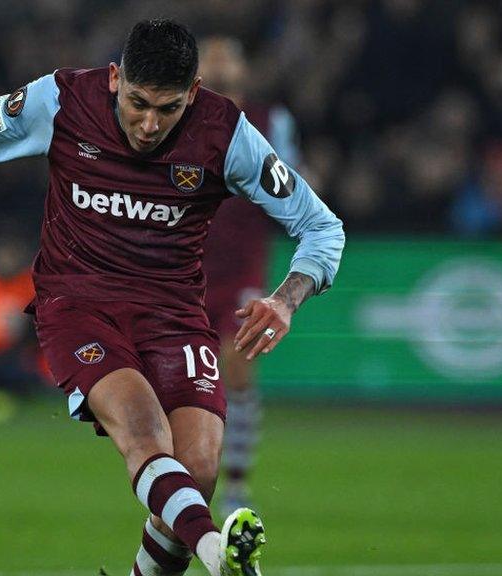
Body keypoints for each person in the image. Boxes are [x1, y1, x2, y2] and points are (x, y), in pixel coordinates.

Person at [0, 19, 345, 576]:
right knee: (146, 436)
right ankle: (217, 554)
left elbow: (323, 228)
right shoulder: (60, 100)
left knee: (195, 472)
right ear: (114, 79)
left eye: (168, 109)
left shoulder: (228, 135)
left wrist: (287, 299)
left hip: (173, 313)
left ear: (194, 95)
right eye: (138, 102)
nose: (149, 124)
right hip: (79, 305)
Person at [198, 36, 300, 517]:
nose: (219, 71)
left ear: (241, 72)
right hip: (183, 264)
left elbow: (292, 187)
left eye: (227, 63)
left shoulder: (270, 122)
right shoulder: (175, 118)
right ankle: (185, 477)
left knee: (237, 369)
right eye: (210, 64)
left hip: (241, 263)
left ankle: (235, 483)